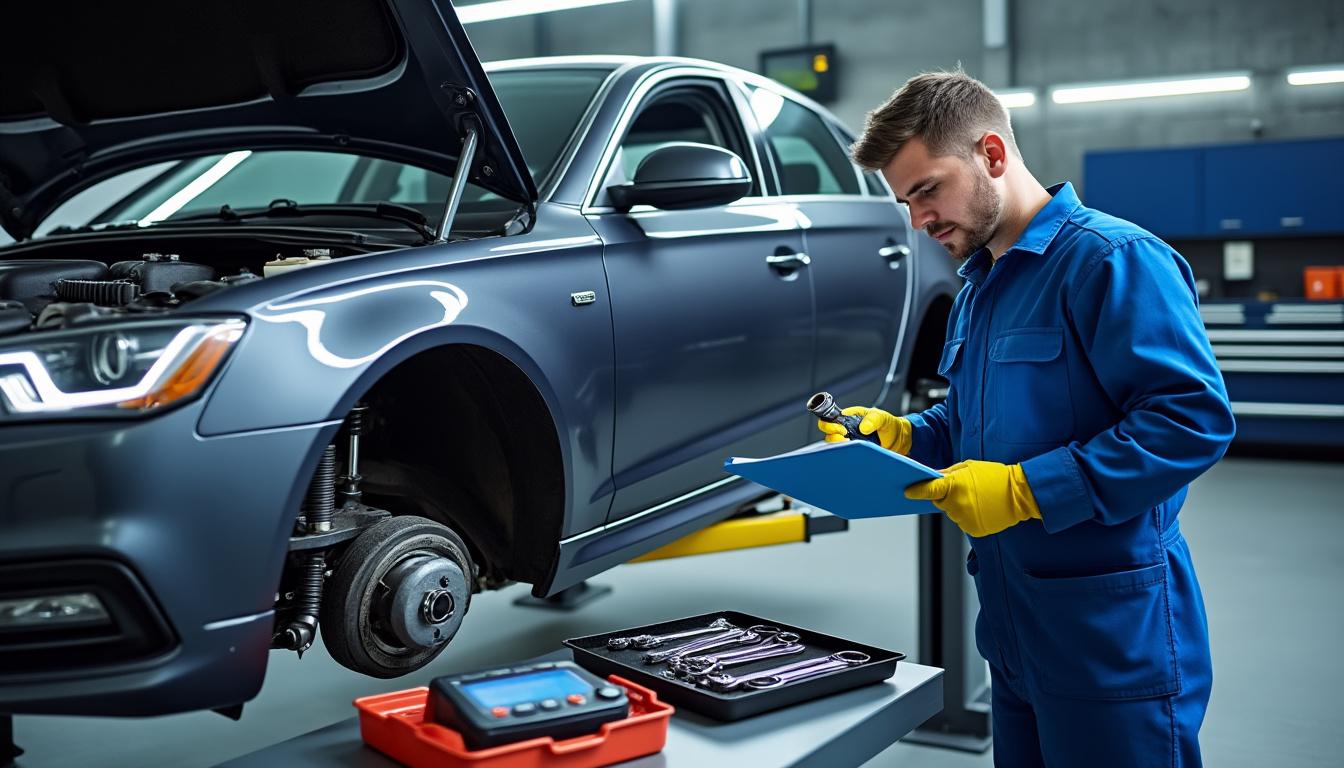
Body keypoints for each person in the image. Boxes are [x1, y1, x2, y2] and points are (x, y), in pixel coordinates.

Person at [818, 71, 1235, 767]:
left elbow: (1188, 420)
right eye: (905, 202)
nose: (918, 220)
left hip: (1110, 638)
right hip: (1012, 630)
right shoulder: (981, 286)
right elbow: (976, 423)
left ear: (991, 153)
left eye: (927, 190)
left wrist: (1025, 491)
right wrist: (907, 437)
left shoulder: (1113, 261)